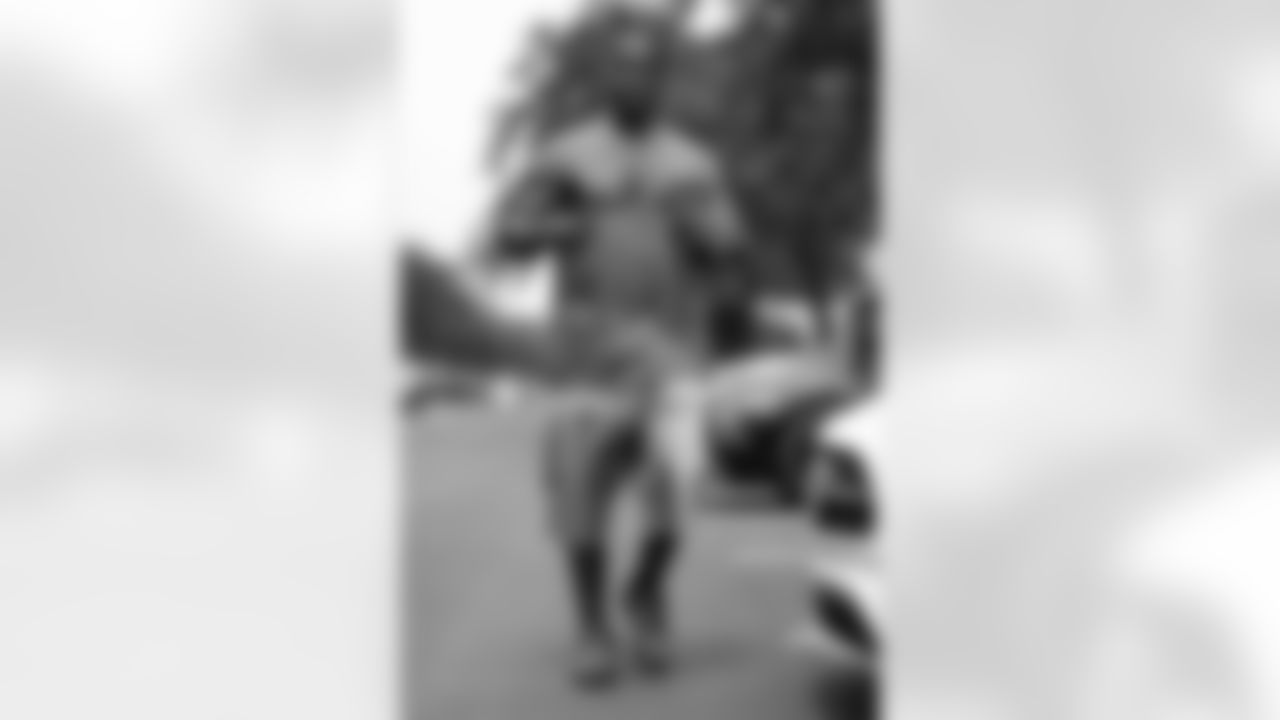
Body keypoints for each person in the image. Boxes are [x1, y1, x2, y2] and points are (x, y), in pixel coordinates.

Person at [477, 26, 745, 688]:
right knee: (580, 493)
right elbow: (504, 235)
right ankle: (593, 631)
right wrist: (558, 226)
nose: (635, 82)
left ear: (661, 80)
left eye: (647, 71)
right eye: (623, 71)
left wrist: (707, 232)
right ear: (605, 81)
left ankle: (645, 589)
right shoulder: (566, 156)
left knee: (676, 498)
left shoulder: (693, 162)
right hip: (588, 353)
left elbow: (731, 245)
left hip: (672, 352)